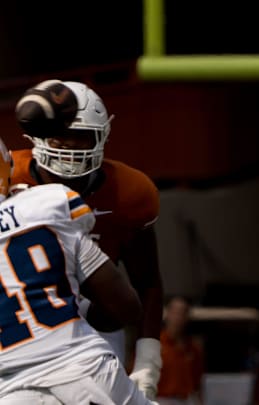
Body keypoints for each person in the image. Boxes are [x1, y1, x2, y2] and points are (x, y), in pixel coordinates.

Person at [12, 79, 164, 399]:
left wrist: (149, 360)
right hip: (21, 327)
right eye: (60, 134)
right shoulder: (10, 175)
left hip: (89, 329)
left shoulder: (129, 192)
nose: (67, 145)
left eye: (79, 136)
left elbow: (145, 285)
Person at [156, 295, 205, 405]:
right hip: (160, 400)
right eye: (175, 312)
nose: (178, 317)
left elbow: (198, 382)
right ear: (167, 314)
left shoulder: (193, 348)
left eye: (182, 313)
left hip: (185, 400)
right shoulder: (154, 345)